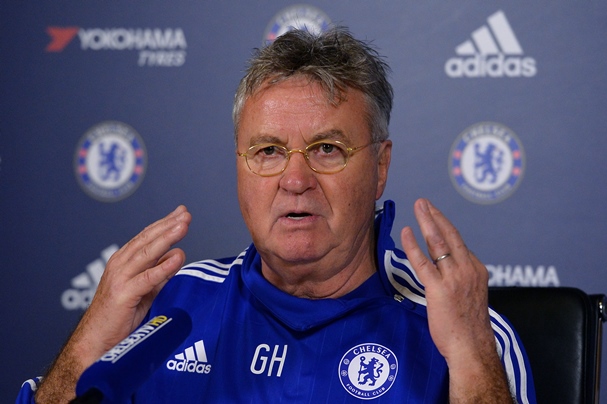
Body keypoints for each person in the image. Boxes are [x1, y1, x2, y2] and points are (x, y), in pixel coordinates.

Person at [20, 27, 535, 403]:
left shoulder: (463, 333)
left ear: (380, 168)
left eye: (327, 149)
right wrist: (91, 340)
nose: (295, 180)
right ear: (239, 167)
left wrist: (471, 360)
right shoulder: (171, 306)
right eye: (267, 151)